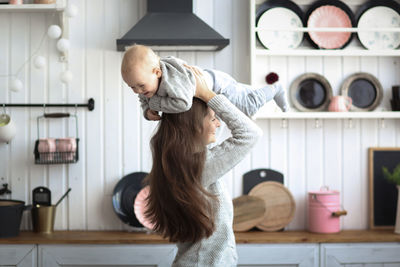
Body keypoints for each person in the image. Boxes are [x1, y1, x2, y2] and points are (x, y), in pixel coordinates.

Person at [143, 65, 262, 266]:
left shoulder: (179, 163)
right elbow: (250, 134)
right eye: (213, 118)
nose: (218, 124)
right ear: (193, 124)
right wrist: (207, 94)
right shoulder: (197, 167)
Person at [121, 44, 288, 121]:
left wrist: (155, 104)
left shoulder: (171, 81)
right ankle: (263, 91)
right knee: (246, 93)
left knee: (248, 106)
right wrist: (146, 111)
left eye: (140, 86)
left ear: (157, 73)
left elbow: (183, 104)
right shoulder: (148, 83)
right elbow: (145, 100)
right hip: (213, 80)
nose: (137, 91)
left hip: (219, 86)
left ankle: (275, 89)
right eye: (132, 87)